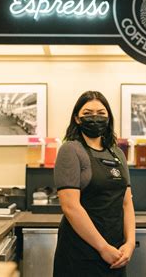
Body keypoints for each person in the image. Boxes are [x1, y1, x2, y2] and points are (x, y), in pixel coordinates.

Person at [53, 91, 136, 276]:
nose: (95, 118)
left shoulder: (117, 153)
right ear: (77, 118)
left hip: (116, 251)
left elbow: (127, 202)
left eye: (101, 113)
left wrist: (130, 243)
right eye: (88, 113)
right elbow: (70, 206)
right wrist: (102, 248)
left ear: (108, 117)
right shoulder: (71, 150)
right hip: (82, 250)